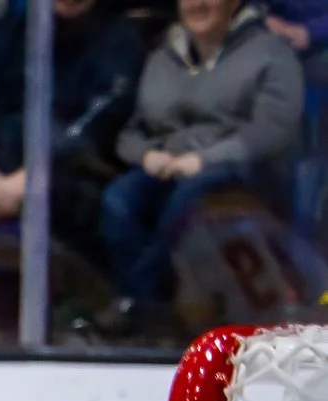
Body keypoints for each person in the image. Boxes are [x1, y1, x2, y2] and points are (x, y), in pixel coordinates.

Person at [103, 0, 302, 324]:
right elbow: (131, 132)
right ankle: (143, 305)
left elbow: (272, 132)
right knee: (118, 199)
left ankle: (139, 300)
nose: (197, 4)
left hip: (244, 171)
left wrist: (203, 160)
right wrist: (147, 155)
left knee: (189, 201)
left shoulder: (271, 53)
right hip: (171, 167)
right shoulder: (161, 58)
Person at [0, 0, 139, 246]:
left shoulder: (121, 41)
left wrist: (33, 178)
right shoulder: (7, 32)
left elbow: (99, 123)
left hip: (71, 177)